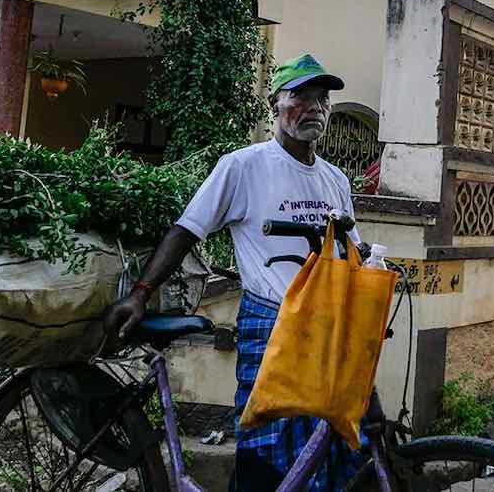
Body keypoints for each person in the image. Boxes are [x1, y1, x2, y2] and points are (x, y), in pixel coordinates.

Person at [103, 54, 367, 491]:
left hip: (326, 326)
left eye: (322, 99)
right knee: (266, 448)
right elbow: (188, 230)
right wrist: (141, 291)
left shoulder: (335, 179)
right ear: (275, 104)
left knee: (330, 446)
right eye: (300, 96)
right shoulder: (243, 166)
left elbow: (352, 249)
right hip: (271, 324)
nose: (314, 107)